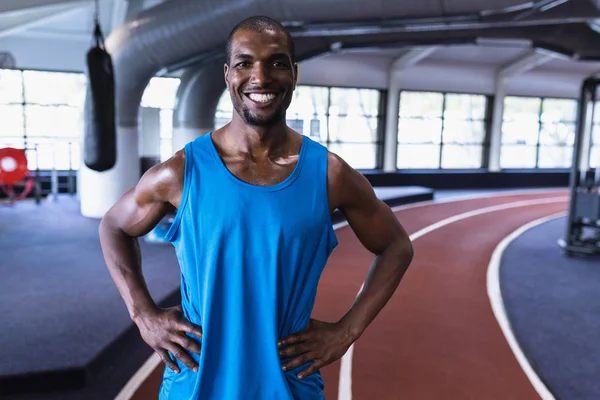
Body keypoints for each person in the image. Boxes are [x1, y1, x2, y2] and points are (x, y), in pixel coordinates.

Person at [99, 15, 414, 400]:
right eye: (246, 63)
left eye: (276, 62)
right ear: (227, 74)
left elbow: (397, 246)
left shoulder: (328, 174)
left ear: (294, 74)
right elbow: (114, 226)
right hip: (195, 384)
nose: (261, 78)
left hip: (288, 384)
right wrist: (142, 313)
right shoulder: (181, 173)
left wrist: (346, 332)